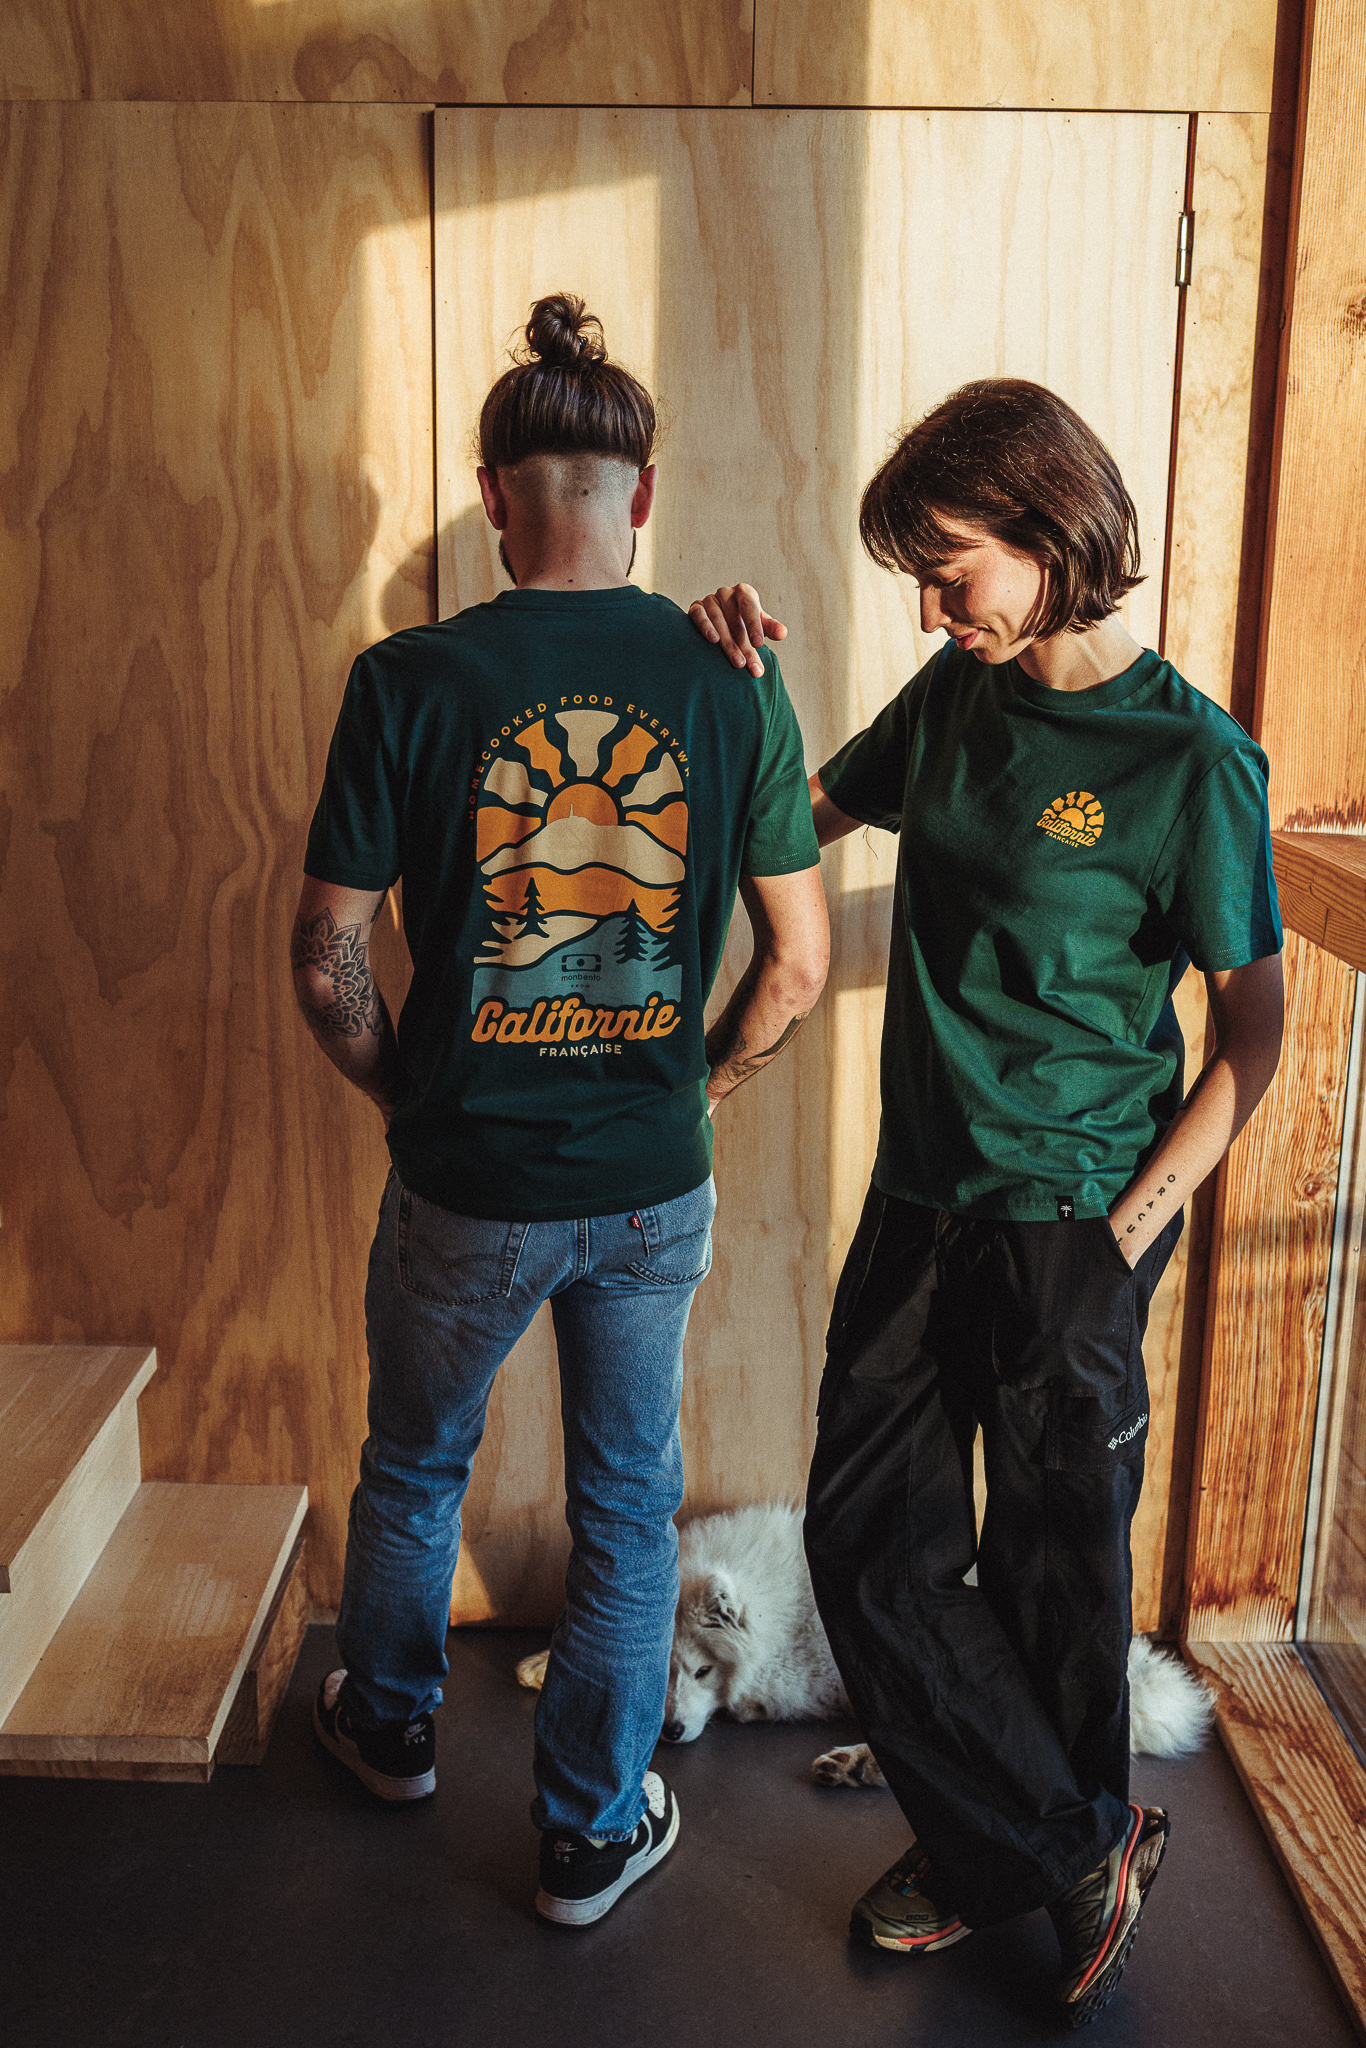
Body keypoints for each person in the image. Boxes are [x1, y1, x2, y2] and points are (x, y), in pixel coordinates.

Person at [688, 379, 1283, 2025]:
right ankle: (1068, 1845)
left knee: (1049, 1568)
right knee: (867, 1543)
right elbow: (789, 819)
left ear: (1049, 529)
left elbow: (1252, 1037)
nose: (932, 610)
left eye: (949, 573)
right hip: (920, 1196)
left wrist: (1122, 1238)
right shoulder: (953, 699)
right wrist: (729, 691)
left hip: (1074, 1216)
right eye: (920, 582)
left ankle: (989, 1851)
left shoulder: (1189, 759)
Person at [292, 293, 828, 1927]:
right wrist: (695, 1086)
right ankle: (589, 1839)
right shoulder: (732, 678)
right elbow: (797, 965)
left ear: (489, 496)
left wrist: (414, 1097)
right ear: (641, 494)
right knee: (625, 1508)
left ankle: (389, 1734)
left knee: (412, 1467)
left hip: (464, 1178)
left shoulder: (404, 679)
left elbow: (324, 960)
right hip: (650, 1182)